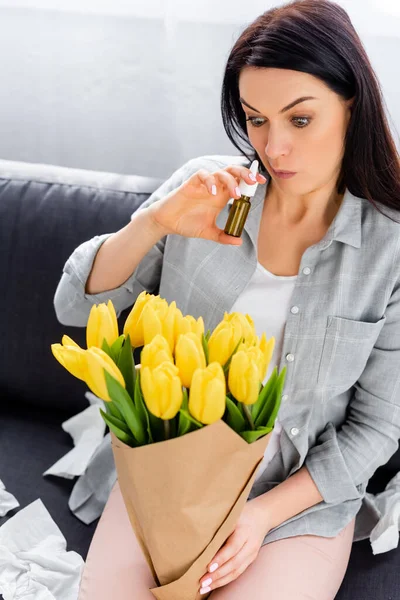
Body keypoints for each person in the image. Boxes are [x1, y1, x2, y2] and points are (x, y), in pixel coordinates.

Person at [53, 0, 400, 598]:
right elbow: (75, 310)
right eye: (255, 119)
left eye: (299, 119)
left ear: (350, 103)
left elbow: (376, 428)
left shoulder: (388, 248)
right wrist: (154, 223)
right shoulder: (206, 191)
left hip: (293, 500)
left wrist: (261, 516)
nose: (274, 147)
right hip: (165, 468)